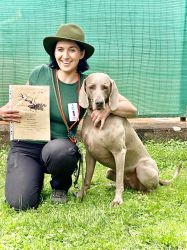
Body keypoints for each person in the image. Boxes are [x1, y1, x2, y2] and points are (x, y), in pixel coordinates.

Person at [0, 23, 137, 211]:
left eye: (72, 50)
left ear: (81, 54)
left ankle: (60, 187)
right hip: (27, 145)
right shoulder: (40, 73)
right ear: (54, 53)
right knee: (21, 203)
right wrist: (2, 112)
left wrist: (108, 109)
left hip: (59, 148)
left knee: (62, 152)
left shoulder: (88, 84)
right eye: (60, 50)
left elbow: (131, 108)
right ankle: (32, 175)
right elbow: (16, 104)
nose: (65, 56)